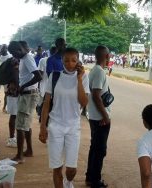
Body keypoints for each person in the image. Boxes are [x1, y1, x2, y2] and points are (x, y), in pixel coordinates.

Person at [39, 47, 89, 188]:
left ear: (78, 61)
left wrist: (79, 79)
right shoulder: (54, 77)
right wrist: (43, 127)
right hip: (55, 126)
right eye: (66, 60)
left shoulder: (84, 77)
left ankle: (69, 182)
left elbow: (84, 103)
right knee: (57, 167)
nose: (70, 63)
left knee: (71, 169)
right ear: (61, 61)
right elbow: (46, 104)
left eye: (73, 60)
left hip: (73, 127)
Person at [8, 41, 41, 163]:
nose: (13, 55)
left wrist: (23, 86)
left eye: (13, 53)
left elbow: (38, 76)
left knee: (20, 126)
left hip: (28, 95)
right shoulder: (24, 59)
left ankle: (19, 156)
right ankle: (29, 150)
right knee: (25, 125)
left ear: (19, 49)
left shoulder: (27, 59)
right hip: (27, 94)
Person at [85, 45, 112, 188]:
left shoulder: (94, 70)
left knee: (94, 148)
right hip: (100, 118)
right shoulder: (99, 72)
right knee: (100, 150)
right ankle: (95, 180)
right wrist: (105, 115)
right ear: (107, 56)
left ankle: (90, 177)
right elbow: (96, 95)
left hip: (95, 116)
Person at [5, 57, 20, 147]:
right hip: (15, 94)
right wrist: (19, 87)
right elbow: (15, 78)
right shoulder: (15, 64)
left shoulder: (11, 60)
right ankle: (11, 139)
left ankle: (13, 137)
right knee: (14, 116)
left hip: (12, 93)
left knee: (14, 116)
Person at [0, 44, 12, 111]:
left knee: (6, 93)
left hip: (6, 77)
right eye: (1, 48)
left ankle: (4, 107)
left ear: (6, 49)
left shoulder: (10, 56)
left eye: (3, 48)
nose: (2, 50)